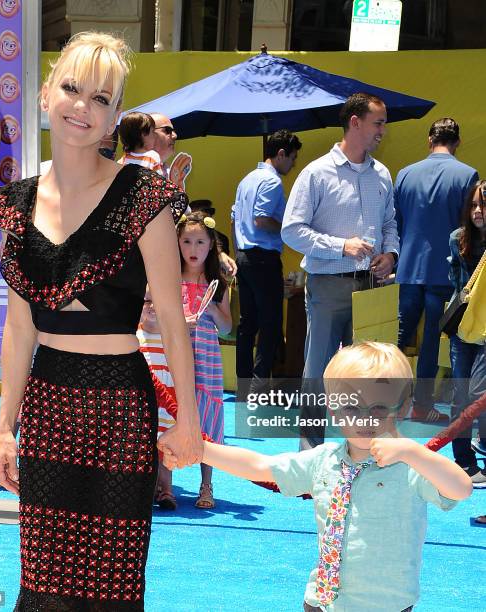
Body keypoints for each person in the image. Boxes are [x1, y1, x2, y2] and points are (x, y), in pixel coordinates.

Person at [0, 32, 202, 610]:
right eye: (73, 89)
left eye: (101, 98)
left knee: (111, 584)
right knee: (45, 583)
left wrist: (188, 420)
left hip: (118, 405)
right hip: (48, 402)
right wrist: (5, 428)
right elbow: (18, 328)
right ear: (48, 93)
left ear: (115, 116)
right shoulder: (20, 202)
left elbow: (173, 322)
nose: (83, 106)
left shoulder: (142, 196)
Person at [165, 342, 472, 611]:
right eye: (352, 407)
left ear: (403, 407)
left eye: (378, 408)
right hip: (322, 603)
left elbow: (461, 488)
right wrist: (201, 449)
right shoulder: (323, 460)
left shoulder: (412, 467)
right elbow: (259, 465)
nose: (364, 419)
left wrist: (414, 453)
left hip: (387, 606)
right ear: (334, 412)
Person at [282, 93, 399, 445]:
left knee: (369, 372)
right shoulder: (316, 173)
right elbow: (292, 230)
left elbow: (391, 223)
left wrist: (390, 254)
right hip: (328, 285)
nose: (383, 130)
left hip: (371, 287)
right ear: (355, 122)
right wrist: (341, 246)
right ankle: (309, 449)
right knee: (318, 370)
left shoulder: (382, 174)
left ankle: (363, 446)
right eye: (378, 122)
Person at [395, 118, 478, 424]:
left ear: (430, 140)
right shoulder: (467, 175)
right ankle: (421, 405)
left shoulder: (404, 174)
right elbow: (469, 224)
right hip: (444, 269)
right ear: (456, 142)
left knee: (400, 339)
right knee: (431, 338)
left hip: (408, 266)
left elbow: (397, 224)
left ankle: (386, 401)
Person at [232, 129, 301, 397]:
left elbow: (235, 217)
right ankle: (260, 387)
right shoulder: (272, 182)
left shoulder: (246, 179)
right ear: (281, 154)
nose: (293, 164)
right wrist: (288, 229)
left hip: (245, 256)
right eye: (293, 158)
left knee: (247, 324)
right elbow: (261, 219)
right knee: (270, 324)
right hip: (263, 257)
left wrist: (238, 251)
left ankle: (243, 386)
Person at [177, 211, 232, 508]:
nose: (193, 249)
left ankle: (206, 485)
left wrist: (210, 311)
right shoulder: (168, 279)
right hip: (174, 354)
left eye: (200, 242)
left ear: (211, 245)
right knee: (168, 411)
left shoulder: (218, 284)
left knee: (206, 417)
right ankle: (163, 485)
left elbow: (227, 327)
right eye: (187, 241)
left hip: (206, 358)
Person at [447, 180, 486, 486]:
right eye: (473, 205)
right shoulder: (457, 239)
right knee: (461, 395)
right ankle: (464, 464)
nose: (477, 211)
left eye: (483, 205)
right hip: (464, 328)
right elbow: (459, 286)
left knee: (477, 394)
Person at [137, 286, 178, 510]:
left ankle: (167, 490)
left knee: (166, 447)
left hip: (167, 399)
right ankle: (150, 488)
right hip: (144, 400)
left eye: (155, 301)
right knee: (147, 446)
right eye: (146, 301)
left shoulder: (170, 336)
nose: (151, 306)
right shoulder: (135, 335)